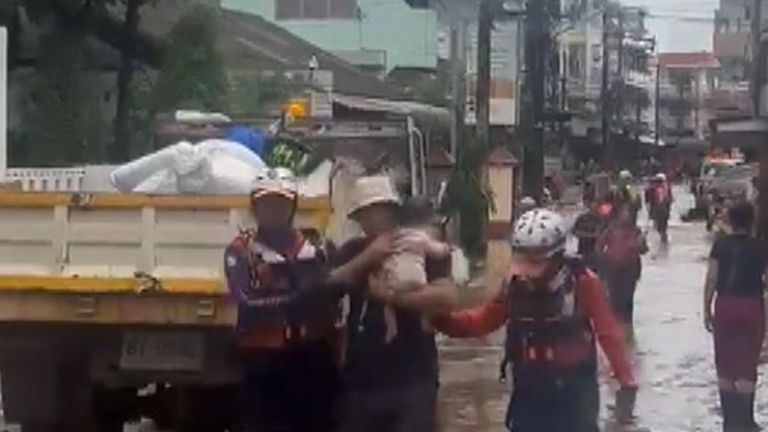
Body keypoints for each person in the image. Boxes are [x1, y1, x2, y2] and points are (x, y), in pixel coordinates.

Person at [434, 209, 637, 432]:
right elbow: (483, 320)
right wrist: (443, 321)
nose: (528, 273)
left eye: (536, 263)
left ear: (557, 257)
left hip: (575, 391)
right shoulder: (513, 286)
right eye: (524, 260)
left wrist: (626, 382)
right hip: (529, 388)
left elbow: (608, 334)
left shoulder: (583, 283)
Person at [331, 175, 459, 432]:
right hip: (362, 382)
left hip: (413, 380)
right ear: (359, 218)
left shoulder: (416, 245)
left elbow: (447, 299)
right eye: (367, 213)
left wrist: (393, 297)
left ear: (393, 211)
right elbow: (326, 286)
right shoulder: (352, 250)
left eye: (381, 210)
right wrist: (368, 258)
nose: (375, 218)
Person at [223, 167, 341, 432]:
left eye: (281, 203)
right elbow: (242, 302)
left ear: (293, 206)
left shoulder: (318, 247)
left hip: (314, 358)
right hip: (263, 360)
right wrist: (295, 301)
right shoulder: (241, 250)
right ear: (255, 207)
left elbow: (337, 291)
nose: (274, 209)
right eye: (266, 203)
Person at [703, 201, 768, 431]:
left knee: (725, 362)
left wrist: (706, 308)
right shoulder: (761, 247)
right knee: (748, 363)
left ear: (730, 220)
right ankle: (746, 420)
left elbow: (712, 278)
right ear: (751, 221)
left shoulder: (720, 245)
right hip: (751, 306)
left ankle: (729, 421)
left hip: (725, 305)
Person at [379, 195, 451, 342]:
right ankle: (425, 321)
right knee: (425, 304)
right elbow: (438, 251)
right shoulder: (423, 238)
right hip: (417, 279)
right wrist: (446, 248)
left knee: (389, 307)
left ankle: (391, 329)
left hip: (395, 279)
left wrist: (389, 295)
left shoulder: (392, 238)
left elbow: (446, 297)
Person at [596, 204, 648, 327]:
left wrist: (640, 244)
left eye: (628, 213)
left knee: (627, 300)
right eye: (623, 213)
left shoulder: (636, 231)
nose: (626, 216)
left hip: (630, 270)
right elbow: (599, 246)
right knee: (614, 300)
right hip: (612, 269)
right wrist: (605, 258)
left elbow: (644, 250)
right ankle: (616, 327)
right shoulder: (611, 229)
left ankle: (627, 328)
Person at [572, 198, 605, 272]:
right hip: (584, 250)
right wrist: (589, 235)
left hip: (595, 251)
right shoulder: (582, 218)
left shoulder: (601, 219)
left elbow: (603, 233)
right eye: (593, 205)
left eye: (597, 205)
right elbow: (574, 231)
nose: (595, 207)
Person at [645, 173, 673, 245]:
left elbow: (669, 200)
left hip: (663, 210)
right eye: (657, 181)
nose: (658, 183)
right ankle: (663, 239)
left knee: (662, 226)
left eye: (659, 181)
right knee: (659, 226)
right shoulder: (653, 189)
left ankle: (663, 239)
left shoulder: (666, 188)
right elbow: (649, 200)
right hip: (659, 210)